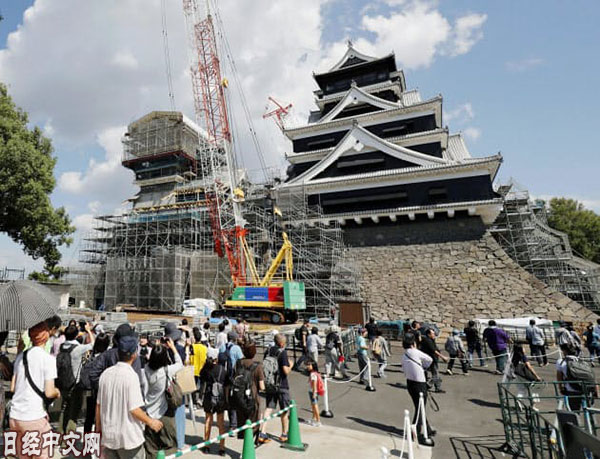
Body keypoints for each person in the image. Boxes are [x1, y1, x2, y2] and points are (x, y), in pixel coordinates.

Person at [96, 335, 162, 459]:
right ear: (134, 354)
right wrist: (151, 422)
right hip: (128, 438)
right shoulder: (131, 376)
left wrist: (98, 428)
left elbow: (98, 405)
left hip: (109, 436)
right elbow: (134, 409)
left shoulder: (105, 374)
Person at [9, 321, 61, 459]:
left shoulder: (20, 357)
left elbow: (13, 387)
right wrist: (57, 391)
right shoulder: (48, 359)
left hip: (15, 417)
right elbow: (49, 392)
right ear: (45, 335)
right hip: (33, 417)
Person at [143, 338, 183, 458]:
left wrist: (157, 348)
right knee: (169, 446)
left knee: (150, 448)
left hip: (149, 413)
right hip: (164, 413)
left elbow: (152, 359)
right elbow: (179, 364)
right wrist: (172, 347)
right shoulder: (166, 370)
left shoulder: (146, 369)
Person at [59, 322, 95, 433]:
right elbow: (93, 344)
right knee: (74, 411)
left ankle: (61, 433)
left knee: (64, 408)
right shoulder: (78, 348)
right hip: (75, 383)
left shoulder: (62, 346)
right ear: (76, 335)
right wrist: (88, 330)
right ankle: (69, 435)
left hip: (63, 382)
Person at [88, 323, 144, 393]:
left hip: (108, 395)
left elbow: (93, 374)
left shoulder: (107, 354)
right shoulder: (133, 357)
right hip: (127, 395)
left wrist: (106, 387)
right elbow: (138, 383)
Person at [402, 332, 434, 446]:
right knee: (420, 408)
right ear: (413, 343)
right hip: (420, 383)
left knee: (419, 407)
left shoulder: (404, 355)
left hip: (410, 383)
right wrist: (423, 367)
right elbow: (429, 359)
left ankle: (427, 429)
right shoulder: (415, 352)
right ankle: (415, 432)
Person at [260, 333, 292, 443]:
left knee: (269, 408)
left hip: (270, 384)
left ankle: (262, 432)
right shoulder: (282, 353)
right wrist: (291, 365)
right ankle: (284, 434)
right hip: (281, 384)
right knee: (284, 410)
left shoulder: (268, 351)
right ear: (282, 343)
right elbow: (285, 371)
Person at [233, 342, 264, 441]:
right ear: (254, 352)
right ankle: (250, 444)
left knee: (242, 423)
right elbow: (262, 386)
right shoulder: (257, 366)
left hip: (239, 397)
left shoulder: (238, 363)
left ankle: (244, 442)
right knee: (253, 424)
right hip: (252, 398)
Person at [164, 322, 187, 450]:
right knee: (179, 413)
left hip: (166, 383)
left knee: (168, 413)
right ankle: (180, 442)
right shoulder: (180, 349)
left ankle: (169, 440)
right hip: (178, 384)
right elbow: (183, 363)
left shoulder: (163, 350)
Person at [201, 348, 227, 456]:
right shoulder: (222, 369)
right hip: (220, 398)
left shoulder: (205, 369)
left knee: (208, 420)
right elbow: (226, 383)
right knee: (220, 423)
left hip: (208, 397)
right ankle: (222, 447)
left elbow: (202, 380)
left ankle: (206, 445)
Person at [556, 343, 598, 411]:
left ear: (565, 351)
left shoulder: (561, 362)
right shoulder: (583, 362)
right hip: (587, 389)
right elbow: (592, 376)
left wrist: (561, 389)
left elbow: (559, 377)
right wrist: (596, 390)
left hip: (572, 389)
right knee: (589, 410)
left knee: (574, 411)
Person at [83, 332, 111, 433]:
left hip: (90, 388)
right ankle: (97, 438)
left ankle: (86, 437)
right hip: (102, 389)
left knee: (89, 416)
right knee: (100, 416)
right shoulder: (107, 356)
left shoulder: (90, 353)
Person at [419, 328, 447, 393]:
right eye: (432, 333)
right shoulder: (428, 341)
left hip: (432, 359)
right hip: (431, 360)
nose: (434, 334)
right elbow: (434, 350)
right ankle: (428, 385)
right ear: (429, 334)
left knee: (436, 374)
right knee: (436, 375)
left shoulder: (431, 340)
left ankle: (437, 388)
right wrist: (443, 357)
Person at [190, 328, 208, 407]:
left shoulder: (192, 347)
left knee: (193, 386)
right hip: (203, 368)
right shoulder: (204, 347)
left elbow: (190, 357)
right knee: (202, 385)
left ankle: (194, 401)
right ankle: (200, 399)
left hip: (194, 368)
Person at [306, 359, 324, 427]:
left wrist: (314, 393)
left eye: (309, 365)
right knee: (313, 406)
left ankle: (318, 421)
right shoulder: (315, 373)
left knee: (315, 405)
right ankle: (313, 418)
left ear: (313, 365)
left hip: (313, 392)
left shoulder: (313, 374)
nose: (307, 366)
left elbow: (314, 384)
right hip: (314, 392)